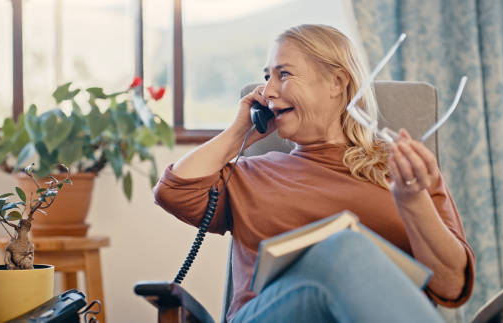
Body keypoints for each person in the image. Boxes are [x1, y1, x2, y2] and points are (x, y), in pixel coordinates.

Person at [154, 24, 475, 322]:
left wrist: (412, 201)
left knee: (348, 250)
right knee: (345, 248)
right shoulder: (250, 174)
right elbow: (174, 191)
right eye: (266, 77)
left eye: (283, 74)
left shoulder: (407, 174)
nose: (267, 90)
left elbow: (451, 287)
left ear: (337, 82)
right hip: (270, 313)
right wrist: (239, 129)